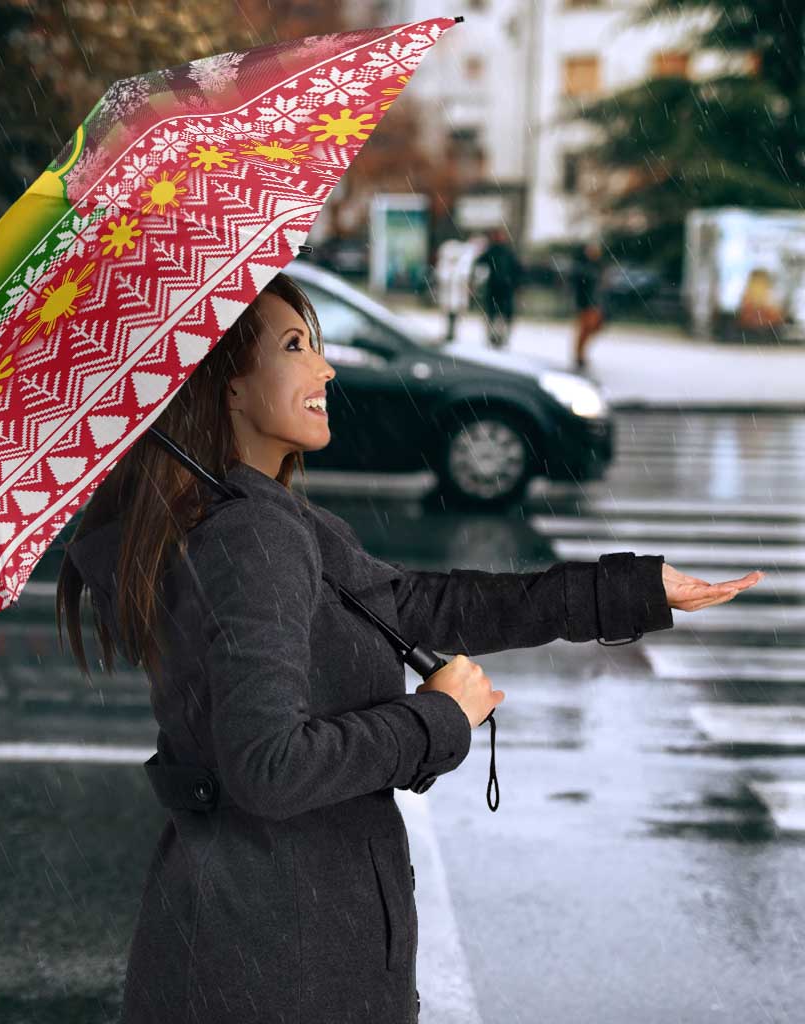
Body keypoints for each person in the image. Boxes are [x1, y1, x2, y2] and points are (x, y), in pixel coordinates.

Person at [55, 271, 747, 1024]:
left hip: (257, 941)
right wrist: (438, 719)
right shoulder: (251, 537)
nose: (326, 369)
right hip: (280, 962)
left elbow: (419, 605)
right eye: (295, 347)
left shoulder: (251, 518)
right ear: (229, 386)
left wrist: (630, 590)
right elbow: (269, 768)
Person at [473, 226, 523, 349]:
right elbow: (479, 263)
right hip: (497, 288)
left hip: (503, 289)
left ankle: (500, 337)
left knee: (500, 315)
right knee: (495, 314)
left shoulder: (505, 252)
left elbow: (517, 270)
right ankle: (494, 337)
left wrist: (516, 284)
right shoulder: (495, 251)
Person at [571, 239, 607, 371]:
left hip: (595, 303)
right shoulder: (583, 267)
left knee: (593, 327)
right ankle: (579, 355)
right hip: (586, 303)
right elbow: (580, 286)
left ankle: (580, 354)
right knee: (585, 329)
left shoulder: (597, 266)